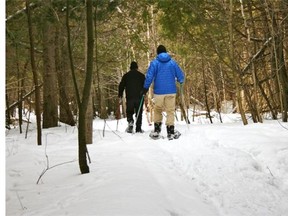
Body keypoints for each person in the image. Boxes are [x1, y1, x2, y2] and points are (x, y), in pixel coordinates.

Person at [142, 45, 184, 139]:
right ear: (166, 52)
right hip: (171, 91)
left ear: (158, 53)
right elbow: (180, 75)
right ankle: (171, 131)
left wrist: (145, 87)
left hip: (159, 92)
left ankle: (157, 131)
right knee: (170, 111)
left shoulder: (155, 63)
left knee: (158, 110)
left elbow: (149, 76)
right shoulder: (172, 63)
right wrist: (181, 80)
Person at [118, 61, 145, 133]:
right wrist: (144, 92)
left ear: (130, 67)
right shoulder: (141, 76)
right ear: (137, 67)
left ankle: (130, 122)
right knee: (139, 113)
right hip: (139, 97)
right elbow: (145, 85)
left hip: (130, 97)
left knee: (129, 111)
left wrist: (120, 95)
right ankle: (138, 128)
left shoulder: (126, 76)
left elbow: (121, 85)